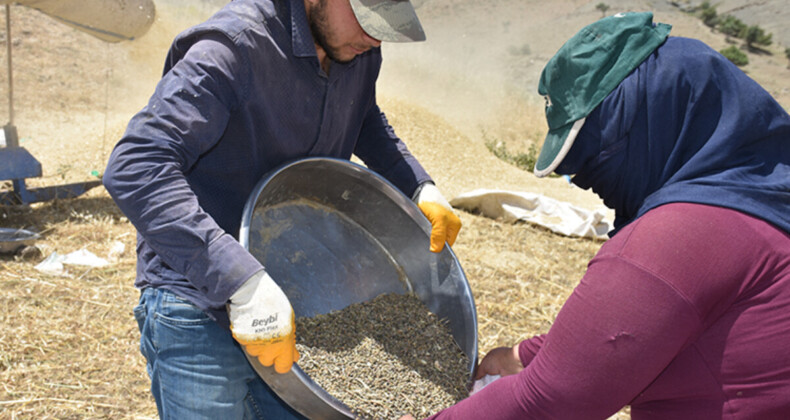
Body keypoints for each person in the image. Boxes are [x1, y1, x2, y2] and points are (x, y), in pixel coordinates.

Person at [402, 12, 790, 420]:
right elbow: (646, 326)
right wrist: (526, 354)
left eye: (590, 157)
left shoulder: (680, 237)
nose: (583, 183)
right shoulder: (760, 199)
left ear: (652, 116)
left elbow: (547, 403)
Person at [102, 0, 462, 418]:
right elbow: (137, 164)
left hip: (299, 300)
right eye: (366, 19)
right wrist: (242, 282)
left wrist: (418, 185)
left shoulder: (355, 47)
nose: (375, 37)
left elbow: (362, 116)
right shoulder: (233, 48)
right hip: (200, 304)